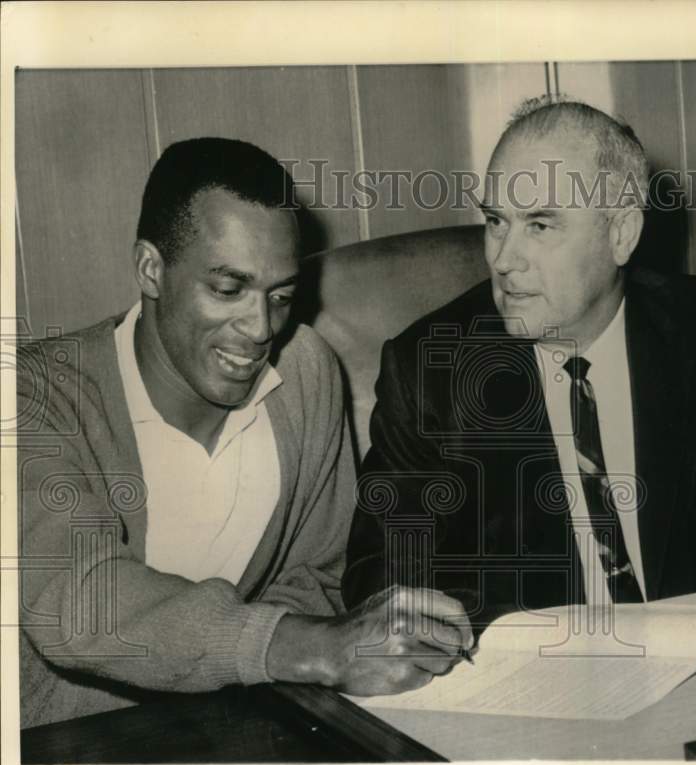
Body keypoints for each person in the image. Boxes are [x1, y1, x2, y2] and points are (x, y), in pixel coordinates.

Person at [17, 137, 471, 729]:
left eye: (280, 296)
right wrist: (312, 647)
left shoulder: (305, 370)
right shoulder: (34, 395)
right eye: (228, 290)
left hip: (236, 723)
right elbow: (80, 603)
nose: (260, 329)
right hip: (58, 749)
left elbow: (312, 576)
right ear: (150, 269)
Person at [344, 98, 696, 624]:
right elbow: (383, 576)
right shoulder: (429, 370)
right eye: (496, 221)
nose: (503, 259)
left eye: (540, 226)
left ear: (621, 234)